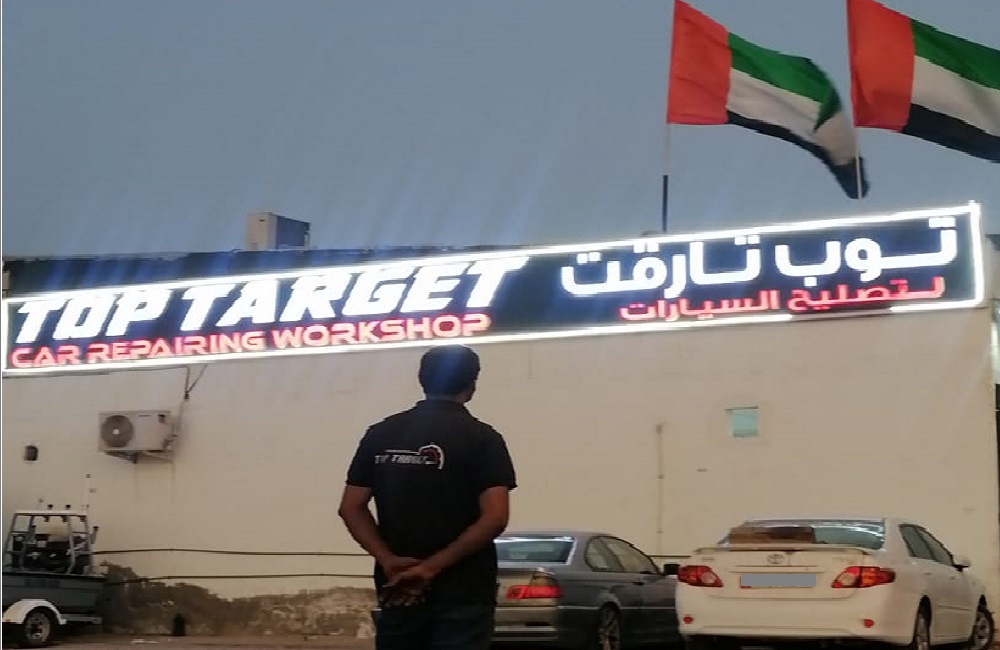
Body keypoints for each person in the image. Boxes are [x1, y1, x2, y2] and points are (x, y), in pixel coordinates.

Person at [338, 344, 517, 650]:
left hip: (398, 586)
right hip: (464, 589)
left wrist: (388, 560)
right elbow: (495, 517)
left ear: (422, 379)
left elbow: (351, 507)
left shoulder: (380, 434)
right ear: (472, 384)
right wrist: (429, 569)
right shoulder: (483, 438)